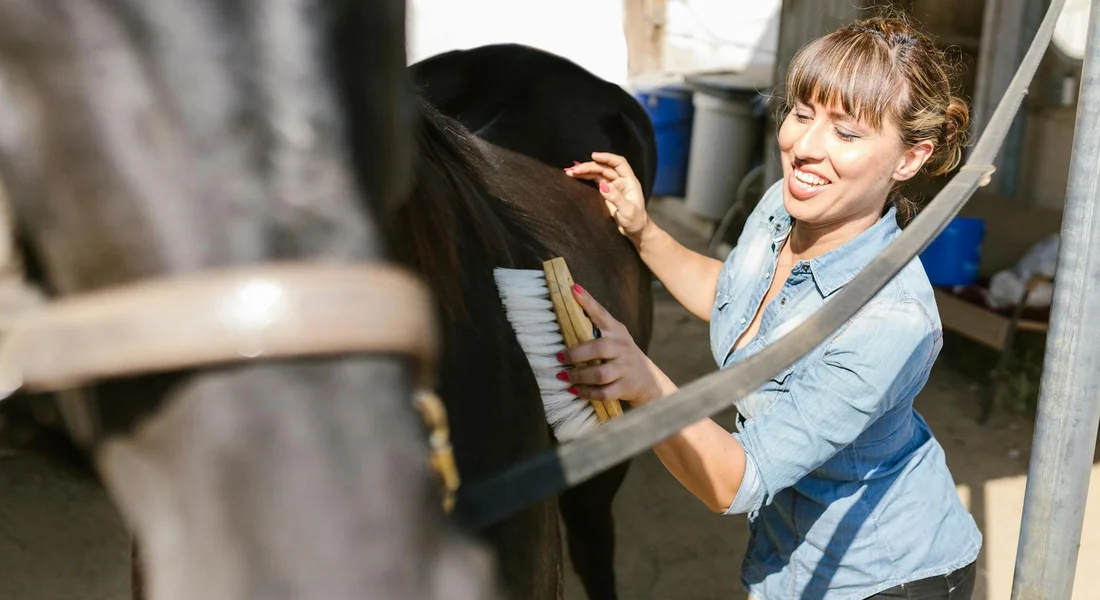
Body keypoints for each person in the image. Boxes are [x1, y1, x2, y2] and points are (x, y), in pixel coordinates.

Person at [559, 15, 981, 600]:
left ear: (909, 159)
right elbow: (735, 301)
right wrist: (643, 231)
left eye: (847, 132)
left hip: (884, 580)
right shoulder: (783, 209)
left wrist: (645, 384)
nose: (803, 147)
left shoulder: (891, 319)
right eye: (802, 114)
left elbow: (738, 480)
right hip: (787, 561)